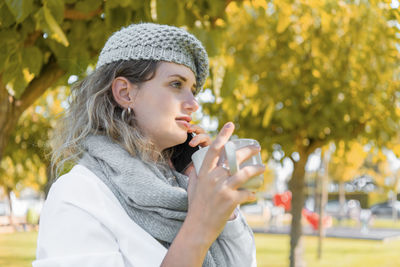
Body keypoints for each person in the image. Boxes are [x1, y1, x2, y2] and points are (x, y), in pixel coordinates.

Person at [33, 23, 265, 267]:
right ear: (125, 93)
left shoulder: (183, 186)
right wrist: (200, 224)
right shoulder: (78, 193)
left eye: (193, 89)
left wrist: (213, 196)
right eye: (177, 84)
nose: (194, 103)